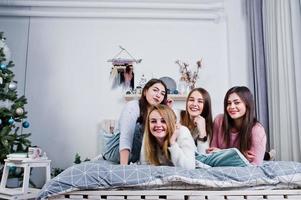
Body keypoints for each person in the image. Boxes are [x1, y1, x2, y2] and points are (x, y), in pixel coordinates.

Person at [102, 78, 168, 165]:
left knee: (159, 127)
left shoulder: (155, 112)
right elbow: (126, 137)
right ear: (145, 92)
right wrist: (123, 169)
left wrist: (167, 109)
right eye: (155, 90)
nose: (158, 95)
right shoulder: (133, 106)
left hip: (135, 154)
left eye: (162, 94)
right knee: (139, 127)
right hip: (115, 151)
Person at [208, 86, 267, 165]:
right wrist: (240, 155)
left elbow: (255, 165)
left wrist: (221, 153)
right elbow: (212, 155)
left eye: (237, 102)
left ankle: (267, 155)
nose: (232, 107)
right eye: (229, 103)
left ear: (247, 104)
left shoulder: (257, 130)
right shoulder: (219, 121)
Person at [140, 105, 196, 170]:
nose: (158, 125)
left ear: (171, 122)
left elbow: (189, 168)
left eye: (163, 121)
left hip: (196, 160)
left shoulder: (182, 131)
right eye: (153, 121)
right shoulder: (148, 135)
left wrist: (172, 143)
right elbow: (144, 166)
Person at [179, 88, 213, 154]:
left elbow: (203, 155)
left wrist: (202, 132)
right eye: (191, 100)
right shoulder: (177, 115)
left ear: (206, 106)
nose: (194, 104)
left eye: (200, 101)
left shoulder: (208, 127)